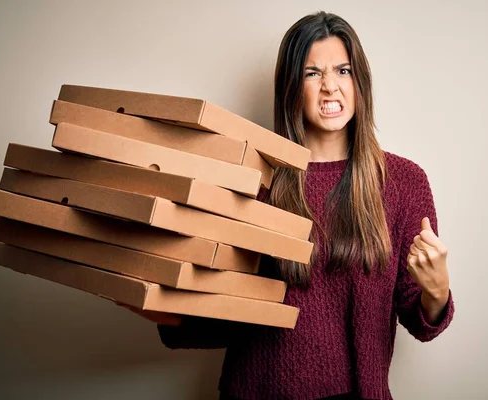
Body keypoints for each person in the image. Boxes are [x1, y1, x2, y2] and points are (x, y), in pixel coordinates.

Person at [124, 11, 454, 400]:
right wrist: (164, 309)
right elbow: (230, 317)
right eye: (312, 74)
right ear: (291, 87)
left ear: (360, 82)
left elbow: (418, 318)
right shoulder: (251, 179)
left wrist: (437, 292)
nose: (330, 87)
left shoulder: (403, 182)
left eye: (343, 71)